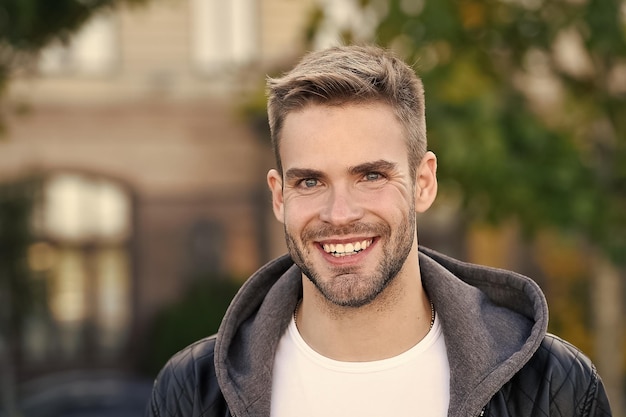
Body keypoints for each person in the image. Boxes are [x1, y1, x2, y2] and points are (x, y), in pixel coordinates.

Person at [145, 45, 613, 417]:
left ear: (424, 183)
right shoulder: (192, 392)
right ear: (279, 196)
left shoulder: (554, 387)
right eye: (310, 181)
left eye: (371, 175)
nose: (340, 213)